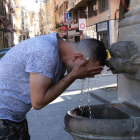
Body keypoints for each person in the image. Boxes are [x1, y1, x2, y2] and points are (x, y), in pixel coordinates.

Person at [0, 32, 107, 140]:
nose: (85, 75)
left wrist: (73, 74)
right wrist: (73, 75)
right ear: (77, 57)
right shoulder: (45, 52)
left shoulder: (59, 51)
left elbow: (51, 86)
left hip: (14, 117)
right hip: (3, 119)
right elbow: (38, 102)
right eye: (86, 69)